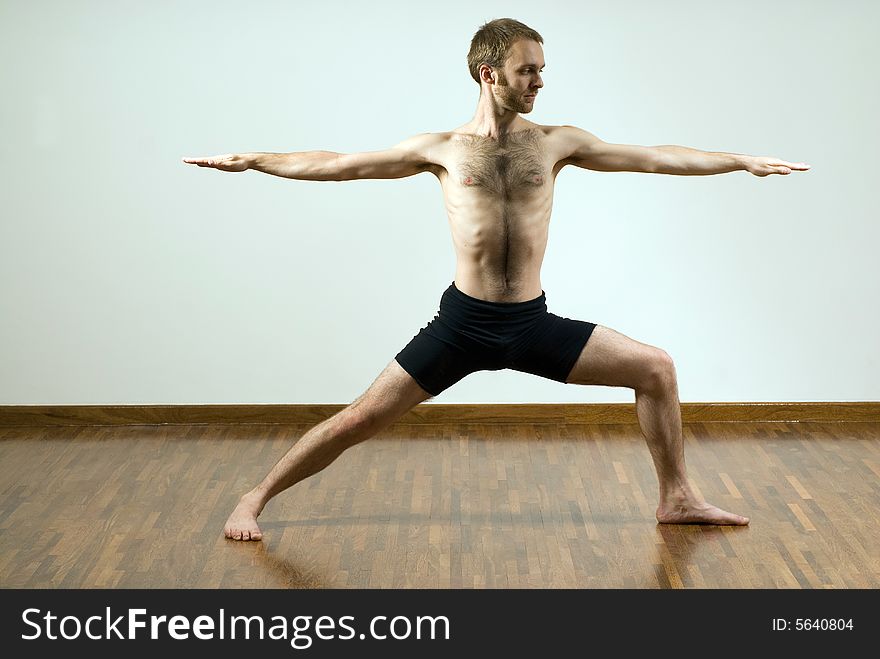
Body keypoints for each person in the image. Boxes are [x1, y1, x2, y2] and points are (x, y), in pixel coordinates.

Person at [184, 18, 809, 541]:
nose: (539, 81)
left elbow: (651, 157)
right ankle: (254, 498)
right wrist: (256, 161)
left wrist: (736, 161)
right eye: (528, 70)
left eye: (541, 70)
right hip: (463, 324)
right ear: (491, 73)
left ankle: (677, 497)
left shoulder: (556, 142)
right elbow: (337, 164)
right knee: (358, 421)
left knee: (656, 368)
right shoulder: (444, 149)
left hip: (530, 323)